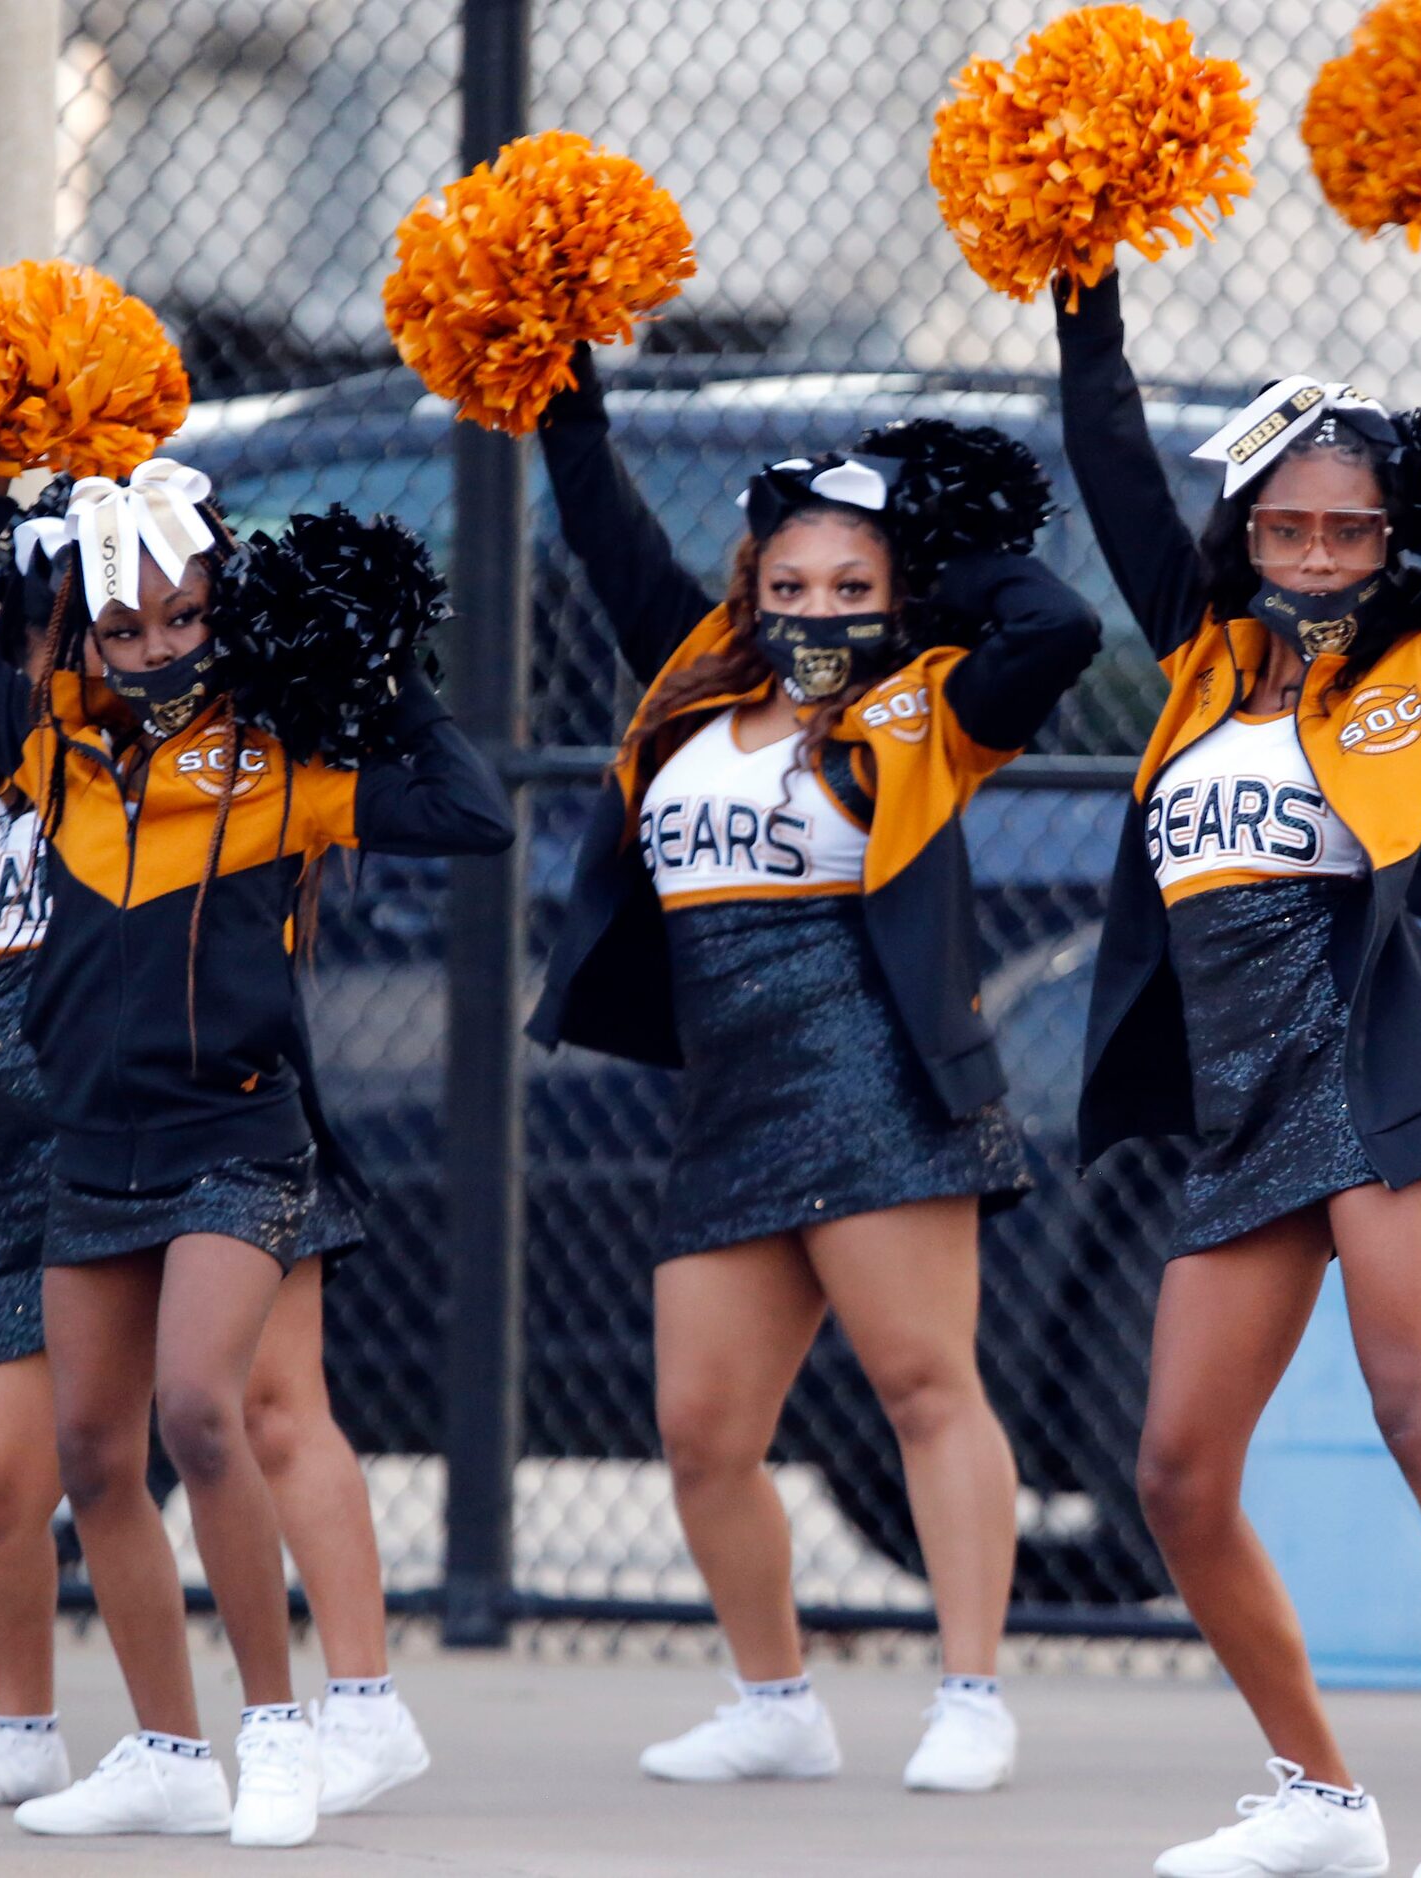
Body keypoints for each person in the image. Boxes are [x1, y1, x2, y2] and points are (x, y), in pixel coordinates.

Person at [1054, 265, 1421, 1878]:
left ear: (1386, 546)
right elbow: (1104, 452)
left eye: (1349, 533)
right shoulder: (1193, 661)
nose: (1314, 557)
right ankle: (1319, 1797)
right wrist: (1082, 292)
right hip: (1243, 1106)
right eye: (1289, 529)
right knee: (1174, 1470)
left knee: (1412, 1403)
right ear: (1244, 533)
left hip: (1379, 1070)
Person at [0, 460, 513, 1848]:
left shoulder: (282, 758)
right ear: (88, 635)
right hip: (87, 1149)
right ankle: (169, 1750)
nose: (158, 649)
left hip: (237, 1134)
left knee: (198, 1409)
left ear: (224, 609)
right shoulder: (45, 743)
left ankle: (276, 1731)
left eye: (185, 619)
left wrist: (380, 664)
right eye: (127, 631)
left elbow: (474, 811)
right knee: (94, 1451)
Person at [529, 346, 1100, 1795]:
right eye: (791, 587)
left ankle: (971, 1689)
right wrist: (563, 387)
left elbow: (1058, 623)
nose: (817, 613)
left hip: (877, 1081)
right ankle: (773, 1696)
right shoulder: (690, 686)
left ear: (893, 593)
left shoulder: (930, 708)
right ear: (750, 589)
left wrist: (934, 552)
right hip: (727, 1101)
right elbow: (605, 534)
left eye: (850, 588)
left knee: (922, 1378)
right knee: (703, 1429)